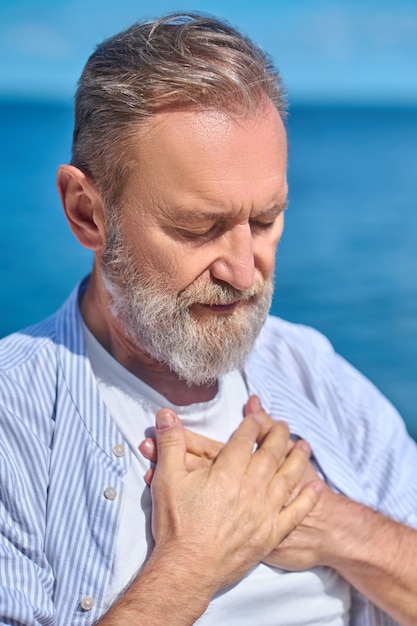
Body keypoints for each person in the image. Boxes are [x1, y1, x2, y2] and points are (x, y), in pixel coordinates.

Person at [0, 11, 416, 626]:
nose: (245, 272)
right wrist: (193, 562)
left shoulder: (313, 372)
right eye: (198, 228)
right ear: (87, 213)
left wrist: (331, 522)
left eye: (267, 220)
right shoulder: (16, 421)